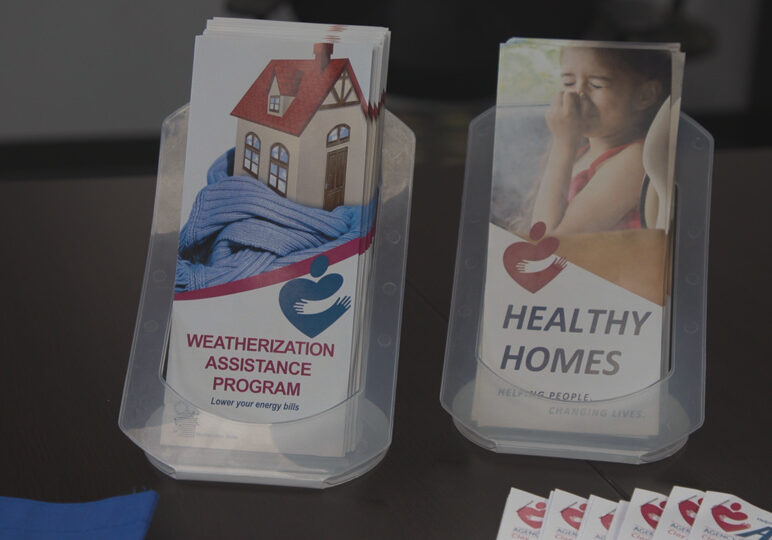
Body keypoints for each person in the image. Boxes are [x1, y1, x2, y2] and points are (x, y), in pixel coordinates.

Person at [531, 46, 671, 235]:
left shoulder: (636, 160)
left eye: (597, 85)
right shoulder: (581, 153)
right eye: (569, 82)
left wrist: (563, 142)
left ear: (645, 95)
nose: (578, 93)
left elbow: (549, 241)